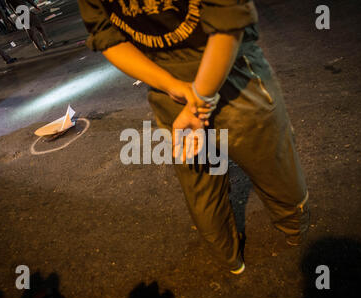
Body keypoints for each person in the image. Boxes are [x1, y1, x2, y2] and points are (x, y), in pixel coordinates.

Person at [78, 0, 310, 274]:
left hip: (169, 89)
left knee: (201, 183)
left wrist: (172, 86)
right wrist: (201, 99)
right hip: (232, 77)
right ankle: (294, 234)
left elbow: (107, 37)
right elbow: (228, 21)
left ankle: (230, 260)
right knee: (274, 166)